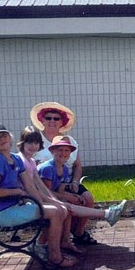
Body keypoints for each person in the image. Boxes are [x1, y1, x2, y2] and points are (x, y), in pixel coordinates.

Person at [0, 122, 75, 268]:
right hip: (4, 213)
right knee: (57, 213)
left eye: (4, 135)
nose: (2, 139)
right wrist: (17, 192)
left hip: (16, 206)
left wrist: (47, 202)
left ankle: (42, 247)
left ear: (10, 137)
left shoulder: (15, 158)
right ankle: (55, 256)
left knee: (60, 209)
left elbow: (30, 186)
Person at [30, 101, 98, 245]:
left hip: (67, 182)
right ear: (42, 120)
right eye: (48, 118)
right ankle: (58, 238)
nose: (52, 121)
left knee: (88, 198)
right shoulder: (34, 141)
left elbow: (78, 165)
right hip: (46, 186)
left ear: (62, 122)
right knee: (65, 202)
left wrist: (75, 182)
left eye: (56, 118)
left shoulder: (69, 140)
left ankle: (78, 233)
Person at [16, 126, 83, 257]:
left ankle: (59, 244)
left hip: (31, 199)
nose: (33, 146)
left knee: (62, 207)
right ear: (22, 143)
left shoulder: (31, 162)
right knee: (59, 210)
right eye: (29, 142)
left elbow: (41, 187)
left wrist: (54, 200)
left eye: (36, 142)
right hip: (23, 202)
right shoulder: (22, 161)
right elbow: (31, 189)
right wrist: (49, 202)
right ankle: (47, 249)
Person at [37, 135, 126, 232]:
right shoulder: (48, 168)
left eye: (67, 150)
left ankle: (67, 239)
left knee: (72, 203)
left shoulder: (64, 169)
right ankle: (107, 214)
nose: (63, 153)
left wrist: (72, 196)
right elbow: (46, 193)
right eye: (60, 150)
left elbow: (60, 190)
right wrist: (67, 198)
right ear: (52, 151)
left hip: (50, 198)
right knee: (67, 207)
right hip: (38, 199)